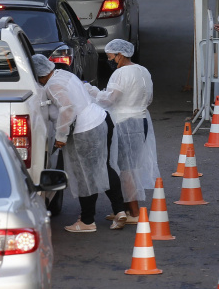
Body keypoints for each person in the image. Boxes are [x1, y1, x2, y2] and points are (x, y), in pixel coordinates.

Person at [85, 40, 161, 227]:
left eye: (111, 57)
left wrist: (93, 92)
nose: (110, 60)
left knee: (125, 169)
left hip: (124, 122)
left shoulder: (120, 73)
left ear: (120, 54)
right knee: (130, 165)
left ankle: (134, 211)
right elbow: (149, 97)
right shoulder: (143, 71)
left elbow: (111, 99)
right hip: (141, 120)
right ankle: (126, 208)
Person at [32, 54, 110, 233]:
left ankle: (87, 221)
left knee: (84, 177)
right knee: (91, 173)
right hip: (96, 120)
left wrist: (61, 136)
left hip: (84, 129)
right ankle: (98, 215)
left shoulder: (52, 84)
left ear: (40, 75)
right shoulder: (62, 74)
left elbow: (67, 108)